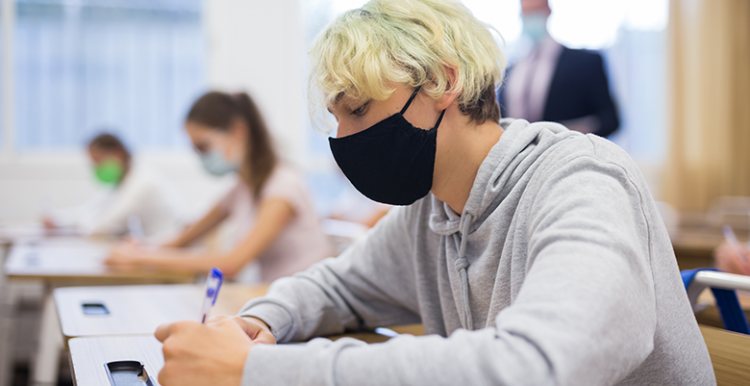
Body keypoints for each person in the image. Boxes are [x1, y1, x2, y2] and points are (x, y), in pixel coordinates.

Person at [154, 1, 714, 385]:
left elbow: (540, 366)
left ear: (443, 83)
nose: (344, 139)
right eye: (336, 117)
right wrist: (261, 323)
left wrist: (254, 372)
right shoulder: (436, 209)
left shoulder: (582, 181)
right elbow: (340, 286)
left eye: (357, 110)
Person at [105, 91, 331, 283]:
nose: (201, 157)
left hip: (307, 308)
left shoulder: (284, 187)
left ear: (238, 130)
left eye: (203, 147)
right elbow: (181, 240)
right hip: (275, 299)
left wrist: (140, 257)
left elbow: (232, 264)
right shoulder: (242, 190)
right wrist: (142, 247)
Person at [498, 0, 620, 137]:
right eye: (526, 13)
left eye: (536, 11)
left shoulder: (585, 63)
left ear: (548, 11)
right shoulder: (511, 71)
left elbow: (609, 120)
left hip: (569, 153)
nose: (531, 18)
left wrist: (570, 133)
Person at [43, 133, 183, 238]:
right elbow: (94, 209)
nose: (96, 168)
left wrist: (66, 226)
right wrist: (59, 219)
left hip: (167, 253)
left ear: (118, 154)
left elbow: (102, 226)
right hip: (154, 249)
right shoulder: (125, 180)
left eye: (98, 162)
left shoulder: (143, 182)